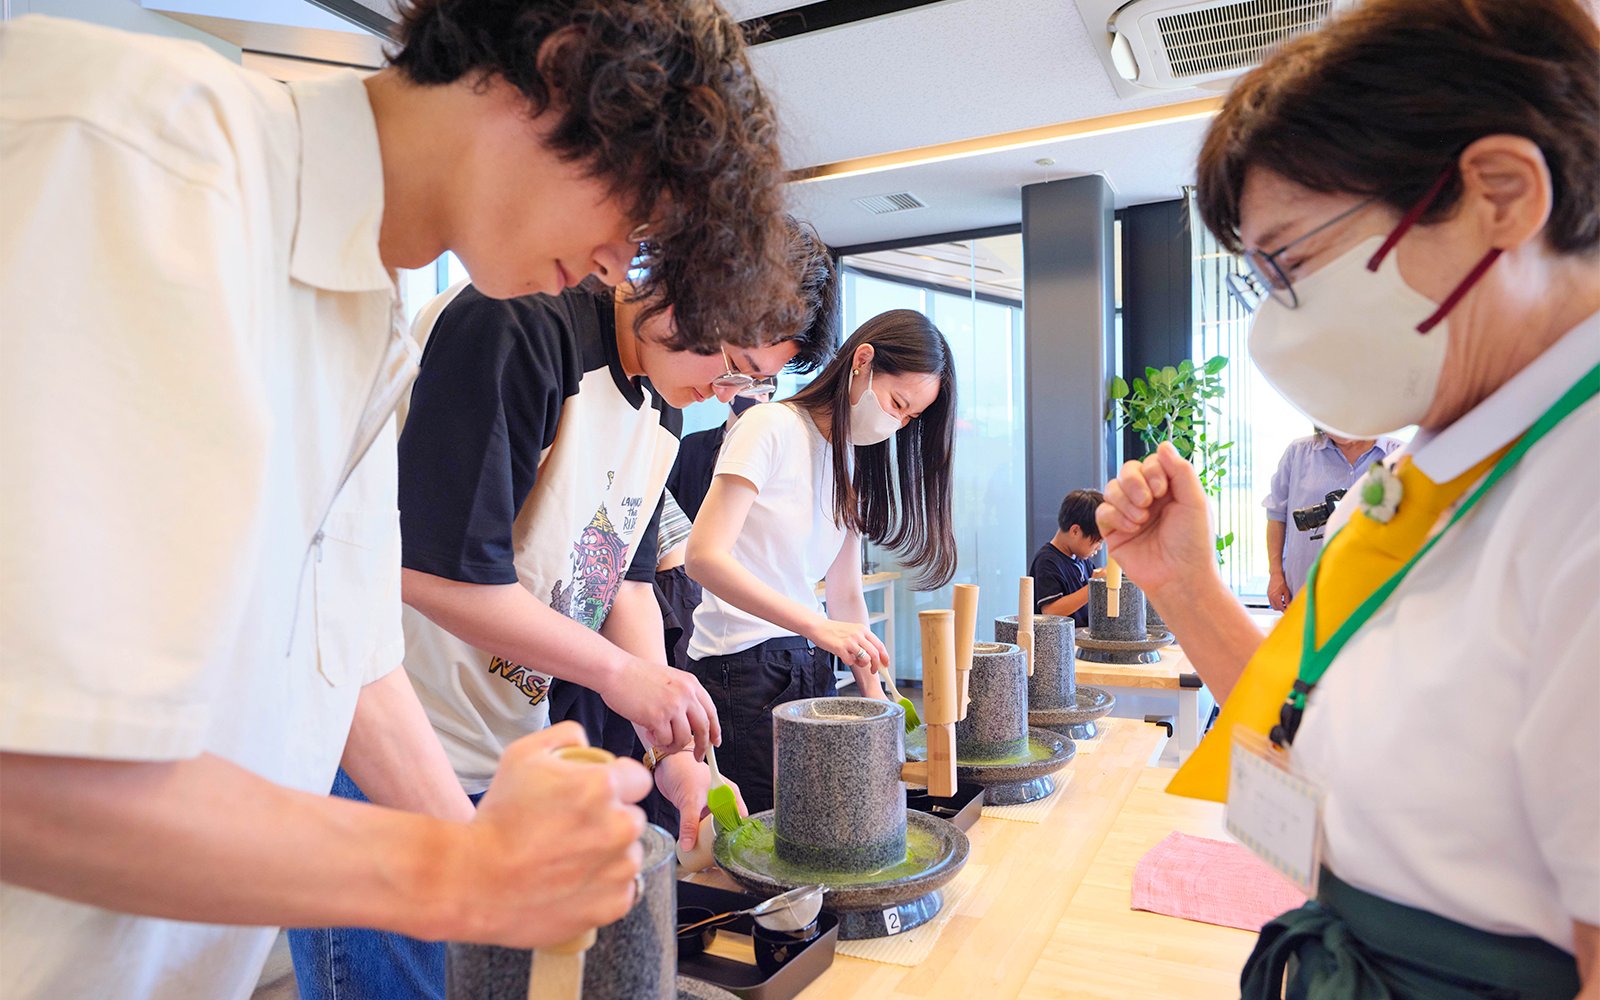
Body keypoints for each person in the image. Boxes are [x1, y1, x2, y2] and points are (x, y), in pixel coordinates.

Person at [0, 1, 798, 997]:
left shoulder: (365, 311)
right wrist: (457, 872)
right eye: (627, 218)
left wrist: (487, 864)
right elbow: (30, 763)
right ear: (556, 71)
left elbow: (354, 655)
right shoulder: (145, 146)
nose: (610, 265)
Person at [1096, 1, 1598, 995]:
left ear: (1499, 194)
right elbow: (1313, 752)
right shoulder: (1450, 466)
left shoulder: (1575, 494)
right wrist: (1186, 587)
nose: (1277, 326)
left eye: (1291, 264)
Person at [289, 223, 840, 1000]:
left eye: (754, 384)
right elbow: (427, 571)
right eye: (733, 367)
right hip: (387, 743)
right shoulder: (521, 324)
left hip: (509, 753)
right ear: (697, 291)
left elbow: (630, 585)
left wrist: (670, 749)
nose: (728, 395)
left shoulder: (664, 410)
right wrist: (621, 676)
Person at [686, 309, 958, 813]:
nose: (896, 424)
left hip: (806, 662)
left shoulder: (849, 458)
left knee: (816, 828)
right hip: (740, 669)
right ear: (862, 362)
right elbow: (702, 557)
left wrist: (874, 693)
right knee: (771, 843)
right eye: (897, 404)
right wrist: (817, 627)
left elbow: (846, 592)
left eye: (909, 419)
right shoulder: (767, 426)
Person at [1264, 430, 1402, 609]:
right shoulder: (1298, 453)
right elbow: (1276, 514)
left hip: (1376, 590)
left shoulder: (1398, 456)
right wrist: (1275, 574)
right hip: (1306, 588)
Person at [1030, 489, 1108, 628]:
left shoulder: (1083, 560)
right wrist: (1093, 585)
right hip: (1059, 646)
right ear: (1075, 531)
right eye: (1097, 541)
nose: (1099, 548)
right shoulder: (1046, 561)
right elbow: (1051, 611)